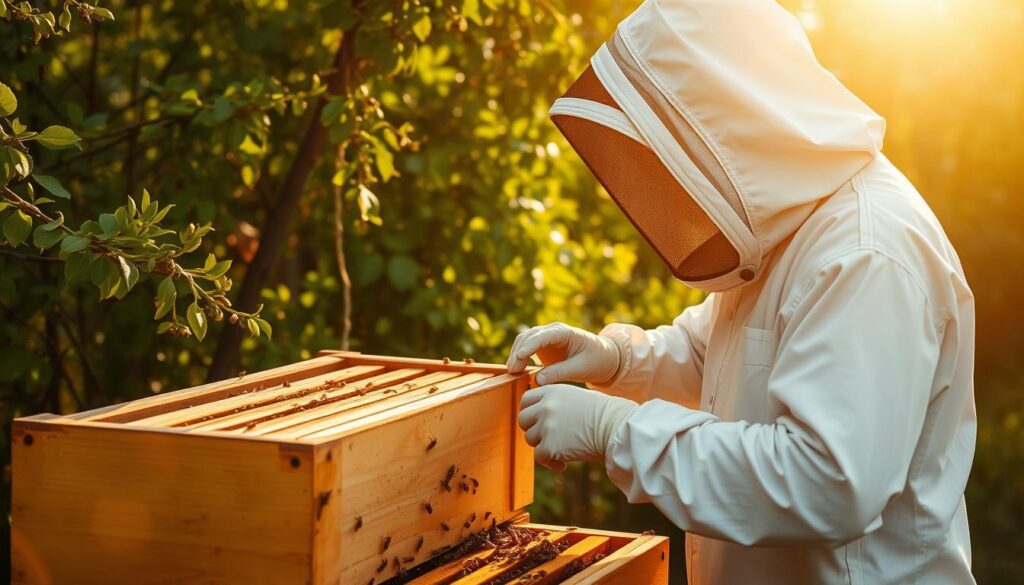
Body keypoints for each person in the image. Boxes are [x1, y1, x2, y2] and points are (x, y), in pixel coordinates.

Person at [507, 1, 977, 583]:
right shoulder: (793, 217)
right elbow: (723, 358)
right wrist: (618, 361)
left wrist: (617, 432)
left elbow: (825, 482)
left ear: (726, 116)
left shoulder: (864, 254)